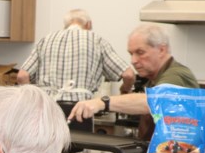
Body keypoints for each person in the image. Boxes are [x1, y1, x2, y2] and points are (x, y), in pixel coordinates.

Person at [68, 23, 198, 139]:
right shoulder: (154, 79)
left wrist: (102, 102)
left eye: (140, 52)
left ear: (161, 50)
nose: (133, 61)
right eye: (131, 54)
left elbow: (154, 101)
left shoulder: (176, 74)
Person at [17, 8, 134, 100]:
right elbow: (128, 75)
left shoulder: (45, 40)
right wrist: (125, 89)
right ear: (88, 24)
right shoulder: (96, 40)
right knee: (78, 132)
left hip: (47, 107)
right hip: (81, 108)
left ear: (65, 25)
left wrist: (32, 100)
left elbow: (22, 76)